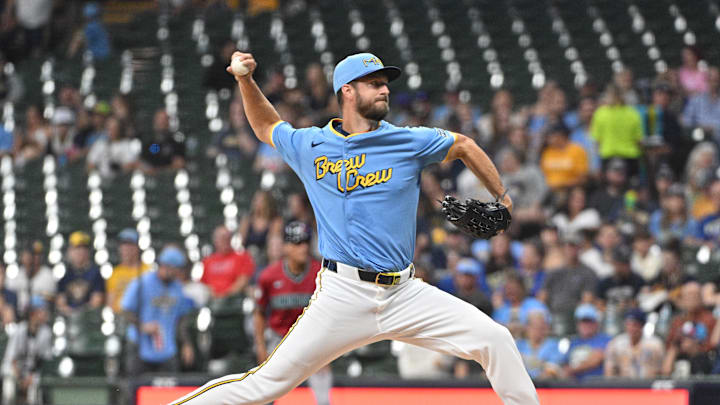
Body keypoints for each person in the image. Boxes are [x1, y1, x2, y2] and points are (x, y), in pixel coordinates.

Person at [169, 52, 538, 404]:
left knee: (495, 339)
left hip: (404, 293)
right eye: (374, 83)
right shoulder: (312, 144)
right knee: (265, 385)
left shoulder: (407, 141)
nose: (385, 89)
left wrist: (503, 198)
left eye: (385, 83)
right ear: (347, 90)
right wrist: (246, 79)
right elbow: (267, 126)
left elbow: (464, 145)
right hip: (342, 294)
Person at [254, 221, 330, 405]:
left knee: (322, 379)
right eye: (297, 243)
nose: (303, 248)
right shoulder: (269, 276)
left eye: (305, 242)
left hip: (310, 337)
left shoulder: (320, 273)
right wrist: (260, 346)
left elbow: (328, 314)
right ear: (286, 247)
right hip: (278, 336)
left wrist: (328, 349)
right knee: (267, 386)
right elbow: (259, 313)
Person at [121, 246, 195, 374]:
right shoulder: (142, 283)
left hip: (167, 348)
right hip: (140, 345)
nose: (177, 274)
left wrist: (186, 344)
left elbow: (182, 318)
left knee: (169, 391)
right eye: (175, 269)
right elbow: (126, 311)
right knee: (136, 389)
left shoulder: (177, 288)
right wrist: (142, 326)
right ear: (165, 266)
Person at [0, 296, 52, 405]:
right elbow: (11, 359)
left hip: (32, 372)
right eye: (41, 311)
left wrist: (30, 378)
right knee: (8, 392)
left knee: (34, 394)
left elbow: (42, 361)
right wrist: (19, 378)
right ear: (33, 313)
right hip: (14, 370)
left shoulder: (46, 333)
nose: (44, 314)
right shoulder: (19, 330)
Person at [604, 308, 663, 378]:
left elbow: (661, 370)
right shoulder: (616, 343)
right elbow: (609, 370)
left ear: (642, 325)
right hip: (623, 385)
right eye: (628, 324)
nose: (631, 328)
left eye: (635, 325)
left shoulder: (655, 344)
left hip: (648, 385)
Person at [56, 231, 105, 315]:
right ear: (70, 251)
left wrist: (78, 312)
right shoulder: (66, 275)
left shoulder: (95, 273)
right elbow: (61, 302)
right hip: (69, 319)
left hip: (89, 319)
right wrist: (69, 311)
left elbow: (97, 301)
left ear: (89, 251)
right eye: (76, 248)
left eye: (84, 248)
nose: (80, 252)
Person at [201, 225, 255, 298]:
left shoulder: (242, 257)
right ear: (215, 240)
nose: (226, 240)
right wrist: (213, 294)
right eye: (222, 238)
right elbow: (203, 284)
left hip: (234, 298)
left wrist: (226, 295)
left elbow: (243, 280)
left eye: (228, 238)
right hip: (211, 298)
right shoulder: (207, 261)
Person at [561, 303, 611, 380]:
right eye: (583, 322)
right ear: (577, 324)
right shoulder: (573, 343)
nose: (586, 325)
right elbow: (564, 364)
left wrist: (572, 370)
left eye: (589, 321)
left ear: (596, 323)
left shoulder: (604, 340)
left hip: (596, 385)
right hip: (574, 387)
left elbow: (596, 359)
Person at [106, 229, 150, 313]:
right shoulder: (114, 273)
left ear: (138, 248)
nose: (127, 249)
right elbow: (110, 302)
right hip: (119, 317)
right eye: (124, 245)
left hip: (139, 316)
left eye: (131, 245)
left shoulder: (147, 271)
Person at [515, 310, 563, 379]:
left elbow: (553, 370)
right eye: (534, 326)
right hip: (521, 384)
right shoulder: (520, 345)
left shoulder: (552, 345)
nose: (538, 330)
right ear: (527, 327)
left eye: (541, 327)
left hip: (543, 385)